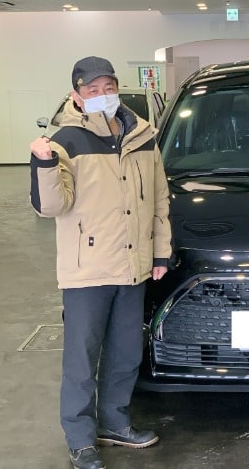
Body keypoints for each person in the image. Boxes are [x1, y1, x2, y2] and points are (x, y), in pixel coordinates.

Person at [29, 56, 172, 469]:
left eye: (108, 87)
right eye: (92, 90)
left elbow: (159, 199)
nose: (102, 95)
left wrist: (160, 251)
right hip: (87, 269)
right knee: (81, 357)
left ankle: (114, 423)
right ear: (77, 96)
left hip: (135, 265)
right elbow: (52, 206)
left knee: (125, 353)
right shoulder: (65, 140)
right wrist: (43, 163)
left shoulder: (143, 136)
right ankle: (80, 438)